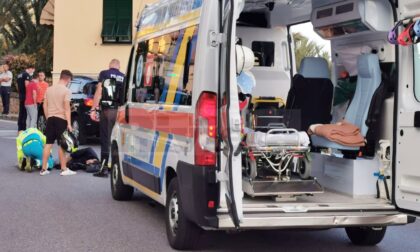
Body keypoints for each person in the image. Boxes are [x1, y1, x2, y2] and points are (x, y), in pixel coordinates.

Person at [90, 59, 125, 177]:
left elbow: (99, 90)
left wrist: (93, 109)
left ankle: (104, 168)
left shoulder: (104, 74)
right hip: (119, 111)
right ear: (118, 67)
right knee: (116, 139)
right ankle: (116, 168)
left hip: (107, 110)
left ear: (109, 65)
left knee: (106, 138)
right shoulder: (123, 77)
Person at [40, 70, 76, 176]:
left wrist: (48, 117)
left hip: (50, 118)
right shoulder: (66, 91)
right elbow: (67, 108)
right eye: (70, 80)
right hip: (61, 119)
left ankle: (43, 169)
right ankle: (64, 169)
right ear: (68, 79)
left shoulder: (49, 89)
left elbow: (44, 105)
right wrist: (69, 123)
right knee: (62, 145)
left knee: (48, 144)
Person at [17, 65, 35, 132]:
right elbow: (27, 85)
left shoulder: (19, 75)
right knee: (25, 113)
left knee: (21, 112)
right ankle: (23, 127)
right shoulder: (26, 75)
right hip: (26, 96)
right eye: (33, 70)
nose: (32, 72)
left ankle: (20, 127)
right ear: (30, 69)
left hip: (21, 95)